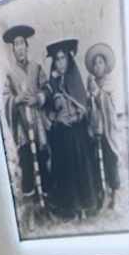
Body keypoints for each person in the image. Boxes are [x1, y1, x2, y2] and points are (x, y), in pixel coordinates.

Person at [45, 39, 98, 220]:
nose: (60, 63)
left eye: (63, 58)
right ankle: (70, 209)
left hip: (78, 132)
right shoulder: (52, 83)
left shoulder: (75, 78)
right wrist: (57, 118)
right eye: (57, 59)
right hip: (62, 134)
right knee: (65, 169)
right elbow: (48, 110)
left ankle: (86, 206)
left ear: (68, 60)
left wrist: (76, 116)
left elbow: (83, 105)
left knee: (82, 167)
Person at [2, 24, 50, 221]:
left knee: (43, 161)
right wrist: (16, 100)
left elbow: (47, 89)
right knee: (28, 165)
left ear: (27, 46)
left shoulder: (37, 68)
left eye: (22, 43)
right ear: (13, 50)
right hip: (23, 128)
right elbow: (6, 98)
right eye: (16, 45)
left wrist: (38, 98)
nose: (20, 48)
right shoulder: (10, 74)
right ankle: (32, 211)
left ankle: (47, 205)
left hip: (38, 125)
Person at [85, 42, 121, 211]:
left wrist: (97, 94)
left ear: (106, 65)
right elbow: (89, 104)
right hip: (96, 127)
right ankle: (101, 192)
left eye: (100, 62)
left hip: (108, 128)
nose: (98, 66)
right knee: (97, 161)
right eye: (95, 63)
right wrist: (90, 97)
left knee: (110, 160)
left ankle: (114, 194)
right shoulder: (91, 84)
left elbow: (109, 104)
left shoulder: (110, 84)